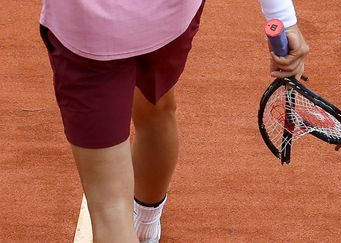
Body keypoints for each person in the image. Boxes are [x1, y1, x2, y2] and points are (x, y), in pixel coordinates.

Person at [39, 0, 309, 242]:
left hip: (92, 34)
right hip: (172, 21)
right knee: (156, 106)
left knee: (110, 212)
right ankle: (146, 225)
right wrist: (282, 16)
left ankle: (140, 227)